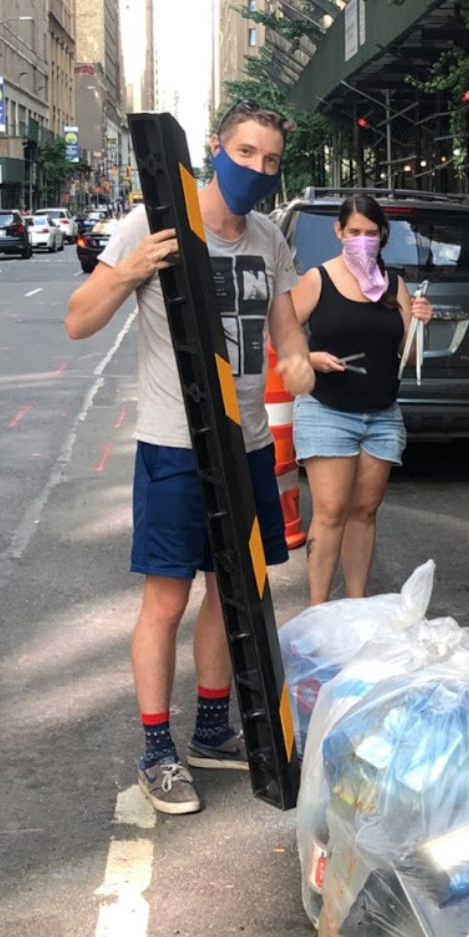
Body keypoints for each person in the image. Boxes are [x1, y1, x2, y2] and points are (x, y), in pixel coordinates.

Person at [64, 100, 312, 817]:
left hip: (250, 445)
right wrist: (130, 269)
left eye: (270, 160)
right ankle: (156, 751)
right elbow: (78, 320)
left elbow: (286, 327)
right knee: (166, 600)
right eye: (246, 153)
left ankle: (209, 730)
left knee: (231, 589)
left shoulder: (267, 236)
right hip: (177, 445)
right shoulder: (154, 222)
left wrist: (298, 359)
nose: (258, 169)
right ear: (215, 149)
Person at [287, 193, 432, 605]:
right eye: (354, 232)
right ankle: (318, 610)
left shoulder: (395, 284)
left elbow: (409, 355)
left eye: (371, 233)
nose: (363, 241)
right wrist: (311, 358)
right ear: (339, 232)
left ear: (383, 235)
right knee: (331, 512)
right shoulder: (317, 279)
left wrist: (422, 324)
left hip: (382, 415)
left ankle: (355, 607)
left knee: (365, 512)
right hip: (326, 411)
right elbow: (279, 334)